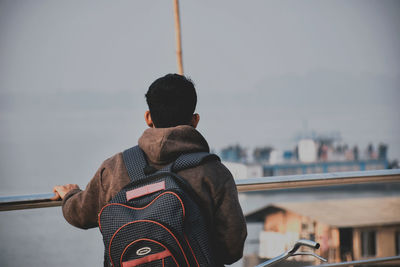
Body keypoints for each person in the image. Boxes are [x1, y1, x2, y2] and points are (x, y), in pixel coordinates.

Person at [52, 73, 247, 266]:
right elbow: (231, 250)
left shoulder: (115, 167)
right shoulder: (213, 172)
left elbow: (80, 215)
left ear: (148, 117)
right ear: (195, 121)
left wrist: (70, 195)